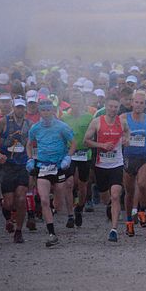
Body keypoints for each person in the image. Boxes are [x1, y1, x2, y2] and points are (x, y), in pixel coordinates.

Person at [26, 99, 76, 247]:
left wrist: (68, 157)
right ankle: (52, 234)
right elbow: (29, 144)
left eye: (48, 110)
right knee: (44, 200)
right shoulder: (35, 128)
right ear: (39, 111)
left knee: (58, 205)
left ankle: (54, 209)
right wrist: (30, 159)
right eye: (43, 110)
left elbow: (73, 143)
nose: (46, 113)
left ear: (53, 110)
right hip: (43, 166)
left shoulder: (62, 127)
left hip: (59, 167)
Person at [83, 94, 130, 242]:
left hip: (117, 164)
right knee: (106, 197)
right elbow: (86, 141)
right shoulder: (97, 122)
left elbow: (127, 133)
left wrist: (126, 139)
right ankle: (109, 204)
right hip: (100, 165)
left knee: (116, 195)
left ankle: (114, 229)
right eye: (110, 106)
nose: (113, 109)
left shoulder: (122, 122)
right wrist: (101, 145)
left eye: (115, 107)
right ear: (105, 107)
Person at [0, 98, 31, 243]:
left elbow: (33, 143)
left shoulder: (29, 124)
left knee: (21, 198)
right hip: (7, 165)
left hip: (22, 165)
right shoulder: (4, 122)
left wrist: (32, 158)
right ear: (13, 107)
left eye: (22, 108)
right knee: (8, 202)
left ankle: (18, 231)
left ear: (25, 109)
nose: (20, 110)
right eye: (18, 107)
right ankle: (8, 217)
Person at [120, 90, 146, 233]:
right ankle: (129, 220)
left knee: (142, 184)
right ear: (132, 103)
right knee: (129, 192)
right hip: (128, 157)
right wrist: (122, 140)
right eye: (136, 102)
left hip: (144, 157)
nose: (138, 105)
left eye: (141, 103)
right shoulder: (123, 118)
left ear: (145, 104)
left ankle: (142, 210)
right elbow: (116, 136)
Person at [61, 90, 94, 227]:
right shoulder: (64, 118)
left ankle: (79, 208)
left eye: (78, 102)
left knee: (82, 185)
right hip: (69, 153)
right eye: (73, 102)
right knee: (68, 183)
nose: (75, 105)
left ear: (82, 103)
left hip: (84, 153)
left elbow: (93, 134)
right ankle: (70, 215)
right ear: (70, 103)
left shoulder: (88, 117)